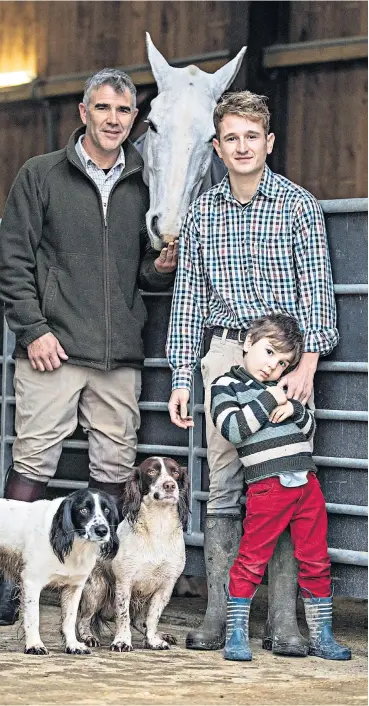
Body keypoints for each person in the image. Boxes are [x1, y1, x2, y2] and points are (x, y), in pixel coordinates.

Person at [0, 68, 177, 626]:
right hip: (54, 348)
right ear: (83, 111)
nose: (114, 120)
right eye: (104, 109)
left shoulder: (144, 181)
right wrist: (33, 330)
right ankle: (8, 585)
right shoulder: (40, 175)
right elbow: (12, 263)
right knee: (33, 461)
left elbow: (141, 270)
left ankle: (91, 585)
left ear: (134, 120)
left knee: (114, 467)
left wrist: (160, 267)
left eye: (125, 112)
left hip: (119, 355)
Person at [167, 91, 338, 655]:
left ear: (268, 143)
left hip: (286, 360)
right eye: (230, 138)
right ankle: (220, 614)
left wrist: (307, 364)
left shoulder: (297, 205)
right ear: (217, 149)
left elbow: (317, 292)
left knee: (286, 484)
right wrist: (182, 376)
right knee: (224, 485)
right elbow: (188, 297)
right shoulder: (203, 212)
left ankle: (284, 623)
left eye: (251, 137)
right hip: (225, 356)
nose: (241, 147)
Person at [210, 313, 351, 662]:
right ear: (248, 343)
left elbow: (307, 427)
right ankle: (236, 634)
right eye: (269, 352)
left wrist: (293, 409)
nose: (274, 366)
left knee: (316, 559)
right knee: (251, 559)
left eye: (284, 362)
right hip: (267, 488)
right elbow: (232, 428)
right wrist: (270, 400)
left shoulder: (284, 388)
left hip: (306, 484)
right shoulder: (226, 386)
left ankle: (322, 635)